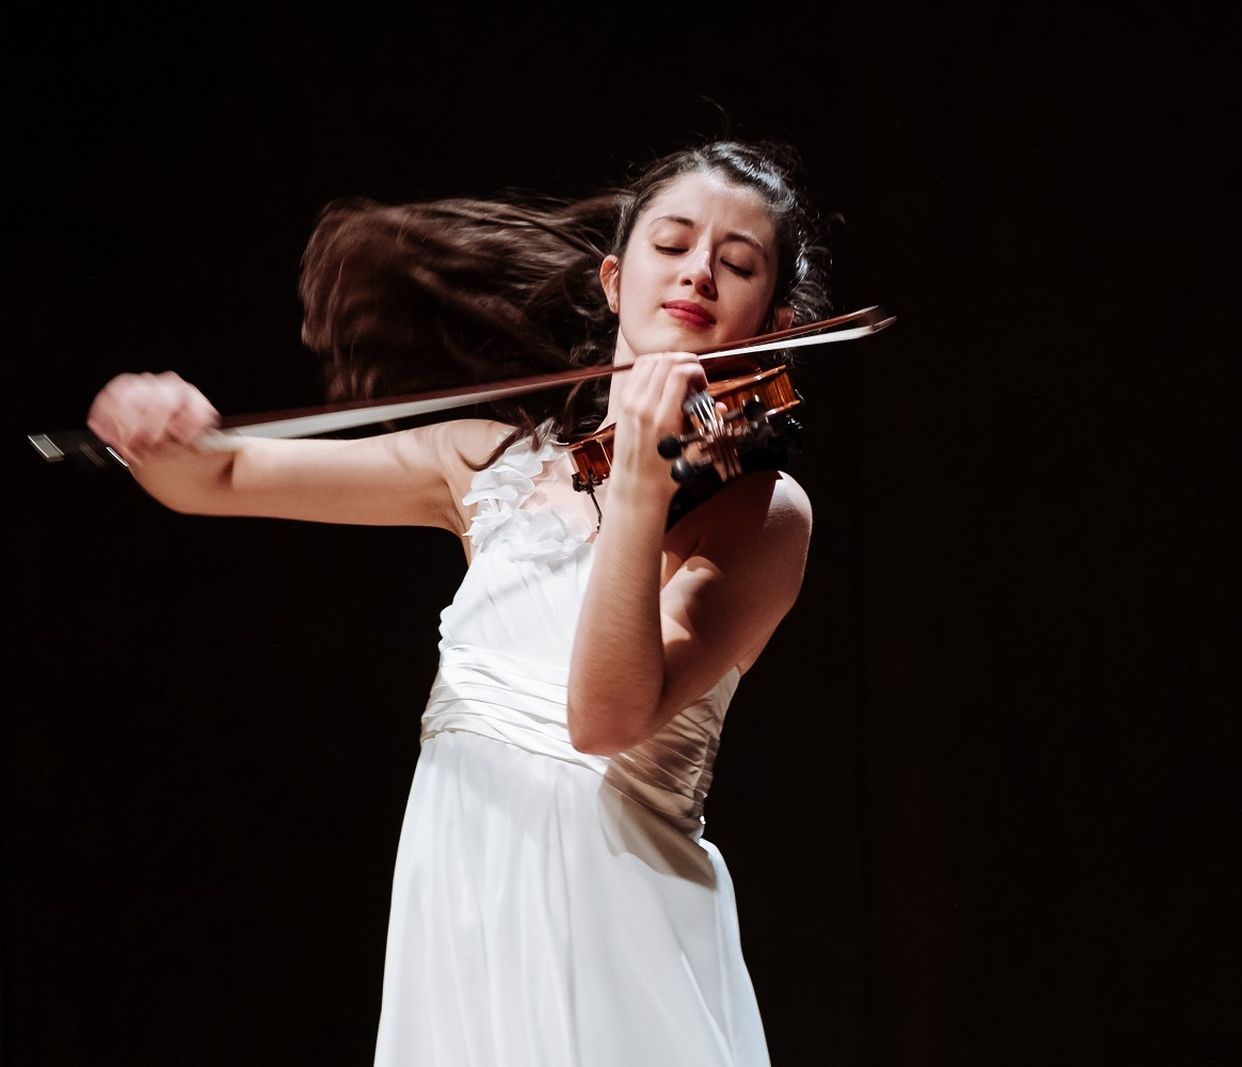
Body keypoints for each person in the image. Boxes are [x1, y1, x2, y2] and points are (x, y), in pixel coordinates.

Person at [86, 139, 832, 1066]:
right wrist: (156, 424)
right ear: (613, 277)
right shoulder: (486, 462)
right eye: (672, 243)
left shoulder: (759, 515)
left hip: (621, 944)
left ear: (776, 319)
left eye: (738, 263)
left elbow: (603, 717)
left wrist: (641, 479)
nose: (698, 273)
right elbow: (221, 472)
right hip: (466, 920)